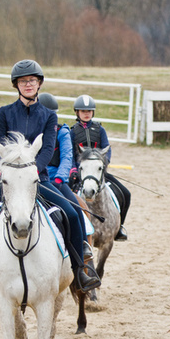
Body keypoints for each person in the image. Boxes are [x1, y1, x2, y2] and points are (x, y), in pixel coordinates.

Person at [0, 60, 100, 292]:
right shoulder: (5, 113)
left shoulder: (48, 116)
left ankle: (80, 270)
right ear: (16, 85)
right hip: (8, 179)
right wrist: (2, 169)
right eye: (23, 81)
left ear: (39, 84)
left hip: (38, 178)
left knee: (71, 212)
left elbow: (47, 148)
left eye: (32, 80)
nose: (28, 84)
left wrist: (34, 171)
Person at [69, 94, 131, 241]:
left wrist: (104, 164)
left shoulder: (99, 129)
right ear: (77, 112)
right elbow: (70, 152)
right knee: (67, 197)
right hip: (80, 173)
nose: (86, 114)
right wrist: (73, 169)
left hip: (98, 173)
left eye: (89, 111)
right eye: (83, 111)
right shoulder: (73, 132)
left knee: (125, 193)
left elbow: (106, 149)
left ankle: (119, 227)